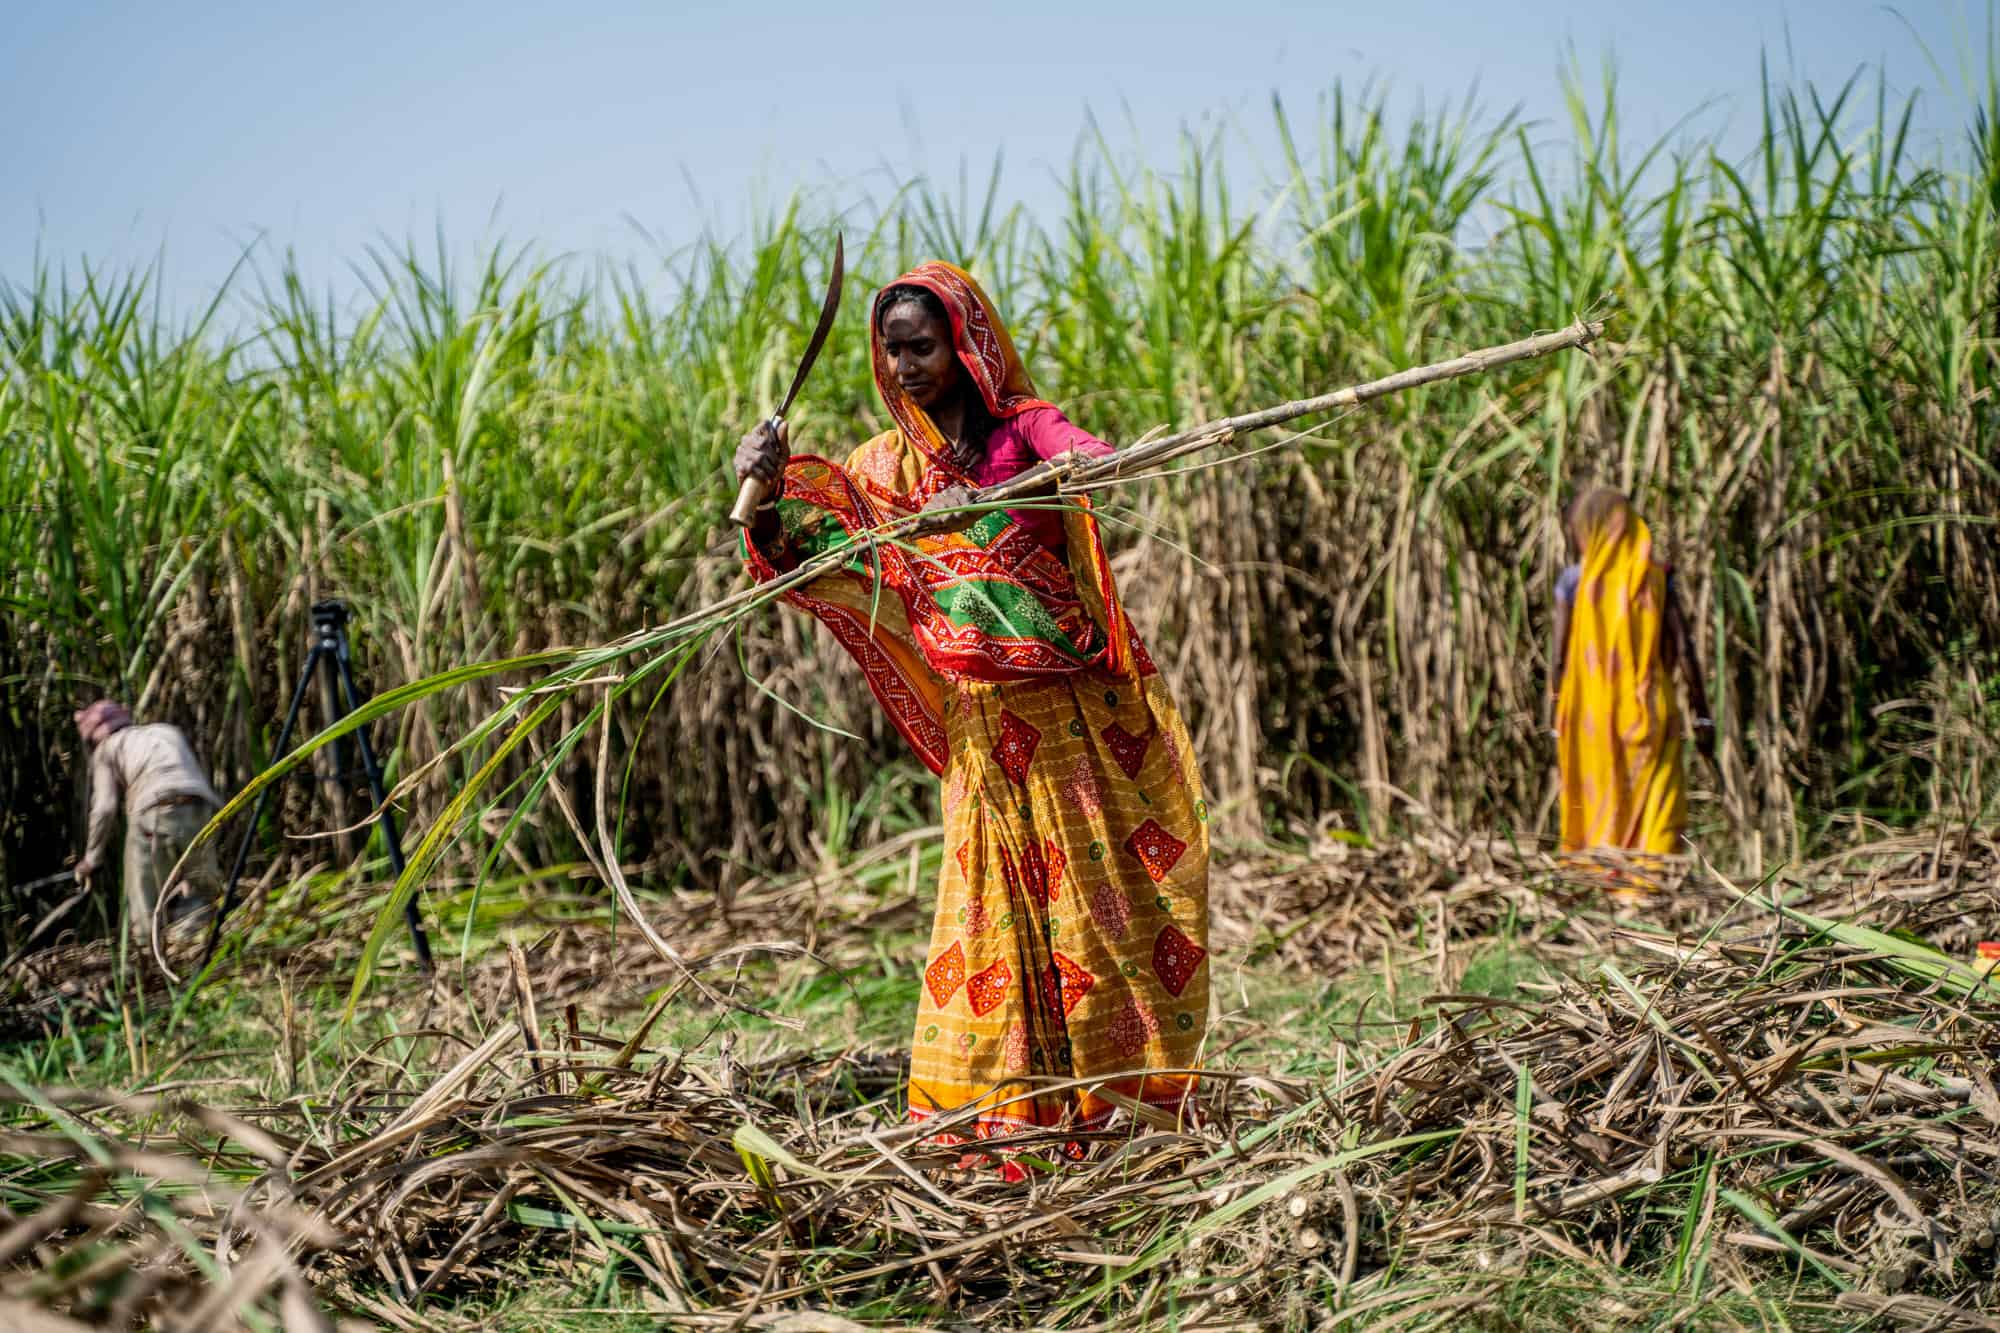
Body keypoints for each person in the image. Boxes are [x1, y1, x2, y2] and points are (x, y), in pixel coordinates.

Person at [734, 262, 1210, 1163]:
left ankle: (1117, 1111)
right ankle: (1003, 1113)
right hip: (982, 732)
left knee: (1094, 914)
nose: (905, 365)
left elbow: (1093, 460)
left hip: (1068, 724)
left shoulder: (1020, 431)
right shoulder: (886, 469)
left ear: (964, 346)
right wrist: (762, 487)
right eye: (892, 350)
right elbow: (817, 544)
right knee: (988, 914)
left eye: (922, 347)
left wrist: (1003, 498)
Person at [1550, 488, 1714, 877]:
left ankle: (1600, 880)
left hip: (1590, 717)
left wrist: (1559, 710)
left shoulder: (1574, 582)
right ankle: (1647, 884)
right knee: (1656, 799)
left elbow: (1558, 657)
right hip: (1648, 710)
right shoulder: (1655, 577)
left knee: (1596, 799)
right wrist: (1702, 716)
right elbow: (1685, 651)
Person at [72, 700, 225, 940]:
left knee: (145, 905)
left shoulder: (106, 749)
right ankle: (196, 952)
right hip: (201, 807)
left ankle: (149, 961)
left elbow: (104, 808)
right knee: (201, 894)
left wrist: (91, 860)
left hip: (154, 811)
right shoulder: (166, 731)